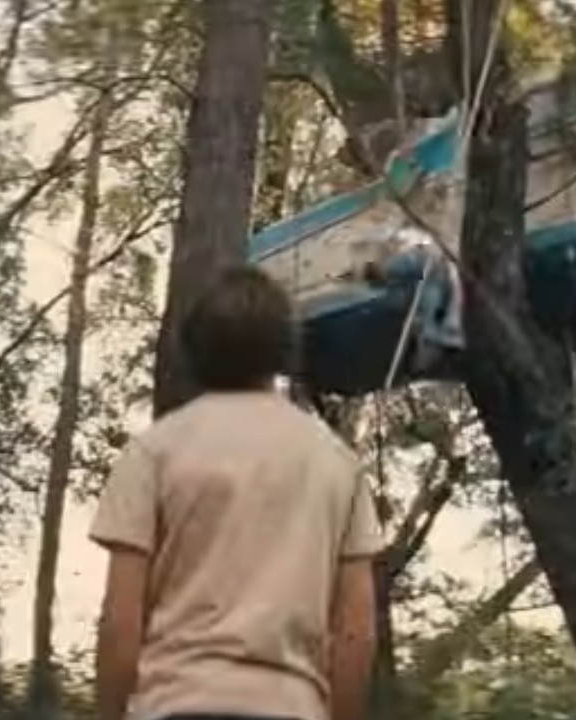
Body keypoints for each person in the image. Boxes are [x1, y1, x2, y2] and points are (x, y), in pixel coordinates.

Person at [92, 265, 381, 720]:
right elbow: (356, 631)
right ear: (286, 350)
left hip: (173, 704)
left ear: (195, 348)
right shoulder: (337, 463)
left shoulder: (155, 450)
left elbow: (119, 622)